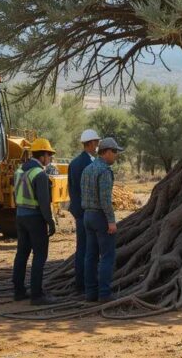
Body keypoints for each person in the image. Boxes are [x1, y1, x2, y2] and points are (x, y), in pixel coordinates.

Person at [12, 137, 58, 305]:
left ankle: (18, 291)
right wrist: (51, 222)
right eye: (49, 155)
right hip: (35, 219)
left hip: (20, 217)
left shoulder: (19, 171)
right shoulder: (40, 174)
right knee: (39, 256)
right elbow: (45, 204)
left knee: (22, 254)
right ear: (43, 156)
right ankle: (37, 295)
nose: (50, 159)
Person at [81, 137, 122, 303]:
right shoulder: (104, 171)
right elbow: (105, 200)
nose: (116, 156)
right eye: (115, 152)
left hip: (87, 216)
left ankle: (90, 292)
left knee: (90, 255)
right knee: (107, 256)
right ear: (107, 152)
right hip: (100, 217)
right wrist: (111, 221)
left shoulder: (88, 169)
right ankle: (104, 294)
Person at [68, 128, 100, 294]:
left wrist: (76, 211)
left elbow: (71, 189)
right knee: (90, 251)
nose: (97, 145)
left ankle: (79, 284)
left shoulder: (73, 163)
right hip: (90, 213)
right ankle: (89, 286)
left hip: (80, 214)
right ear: (92, 143)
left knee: (81, 250)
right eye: (96, 142)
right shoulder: (92, 164)